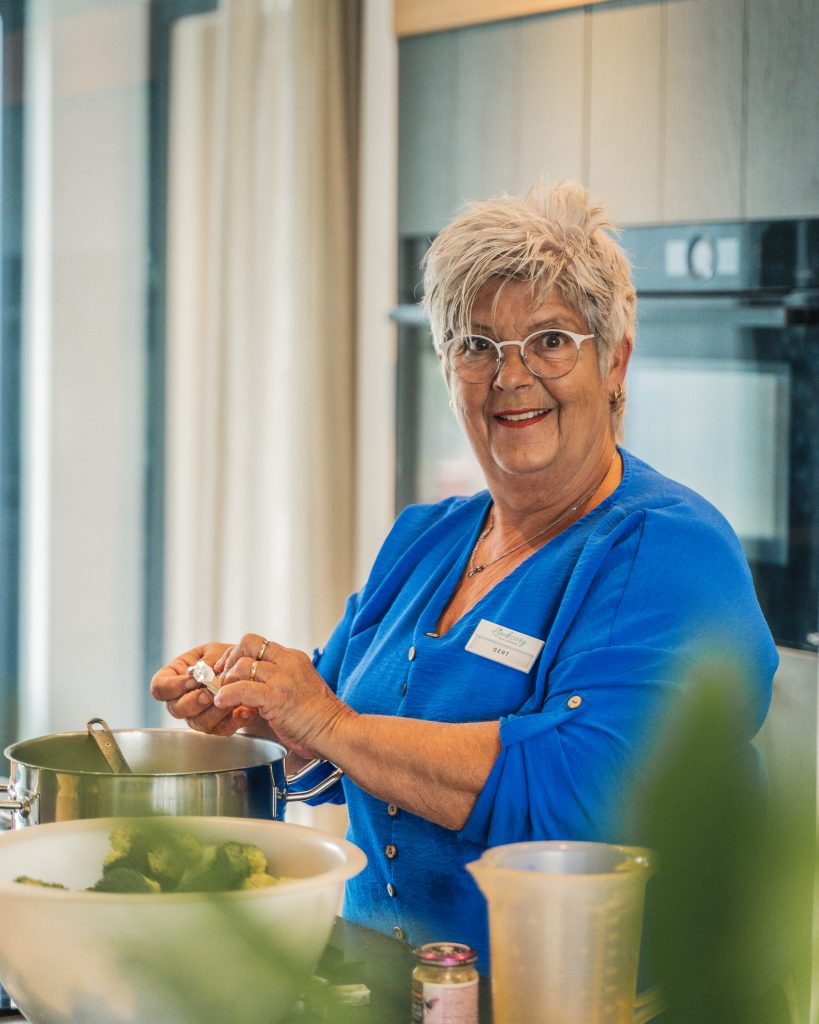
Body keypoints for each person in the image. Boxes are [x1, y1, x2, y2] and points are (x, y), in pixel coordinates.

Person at [151, 181, 777, 967]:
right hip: (385, 985)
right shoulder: (428, 537)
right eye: (476, 346)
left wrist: (329, 725)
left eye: (550, 340)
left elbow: (583, 797)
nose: (510, 377)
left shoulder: (663, 551)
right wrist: (261, 705)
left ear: (614, 361)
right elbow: (346, 737)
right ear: (448, 369)